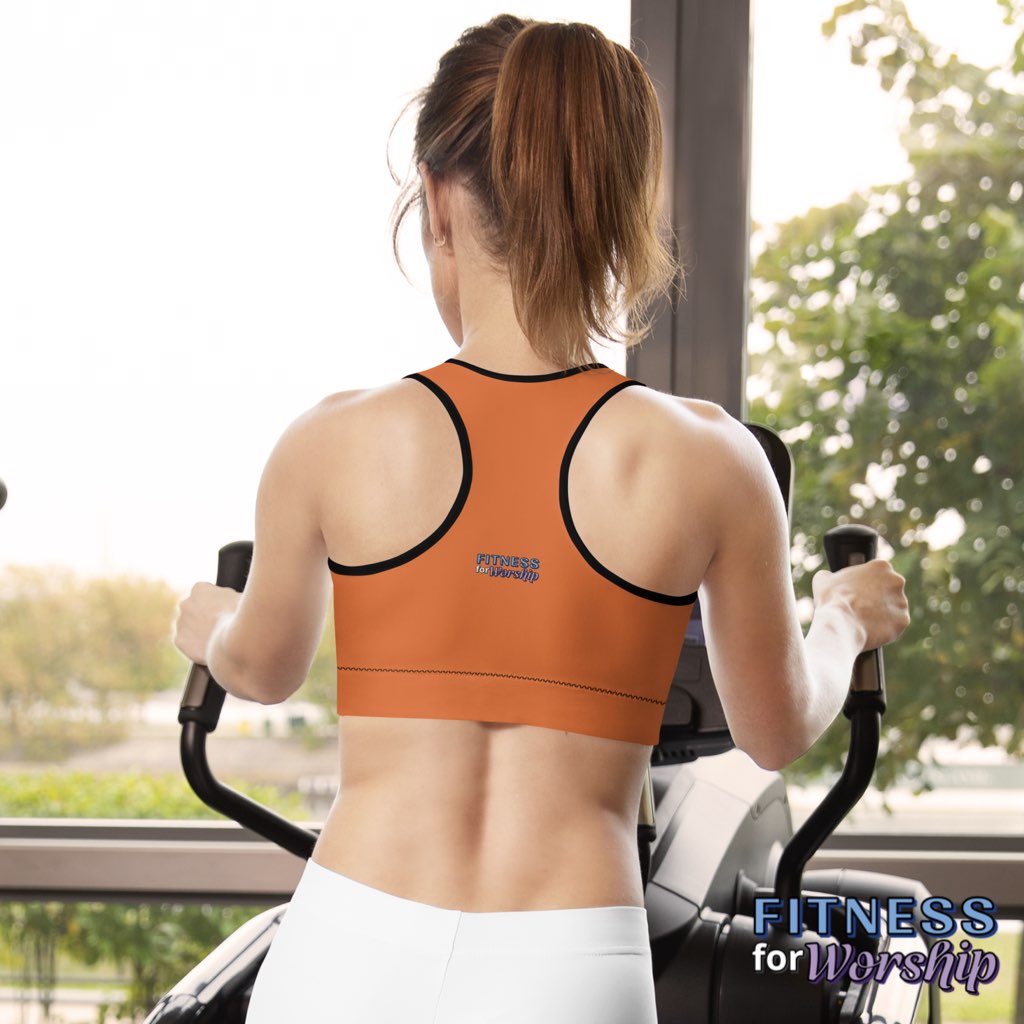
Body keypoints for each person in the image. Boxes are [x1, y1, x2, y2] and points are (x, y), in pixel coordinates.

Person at [173, 15, 910, 1024]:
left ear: (435, 200)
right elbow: (774, 726)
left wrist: (204, 620)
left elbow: (258, 666)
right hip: (565, 963)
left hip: (347, 948)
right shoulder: (706, 459)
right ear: (620, 208)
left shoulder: (333, 441)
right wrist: (842, 617)